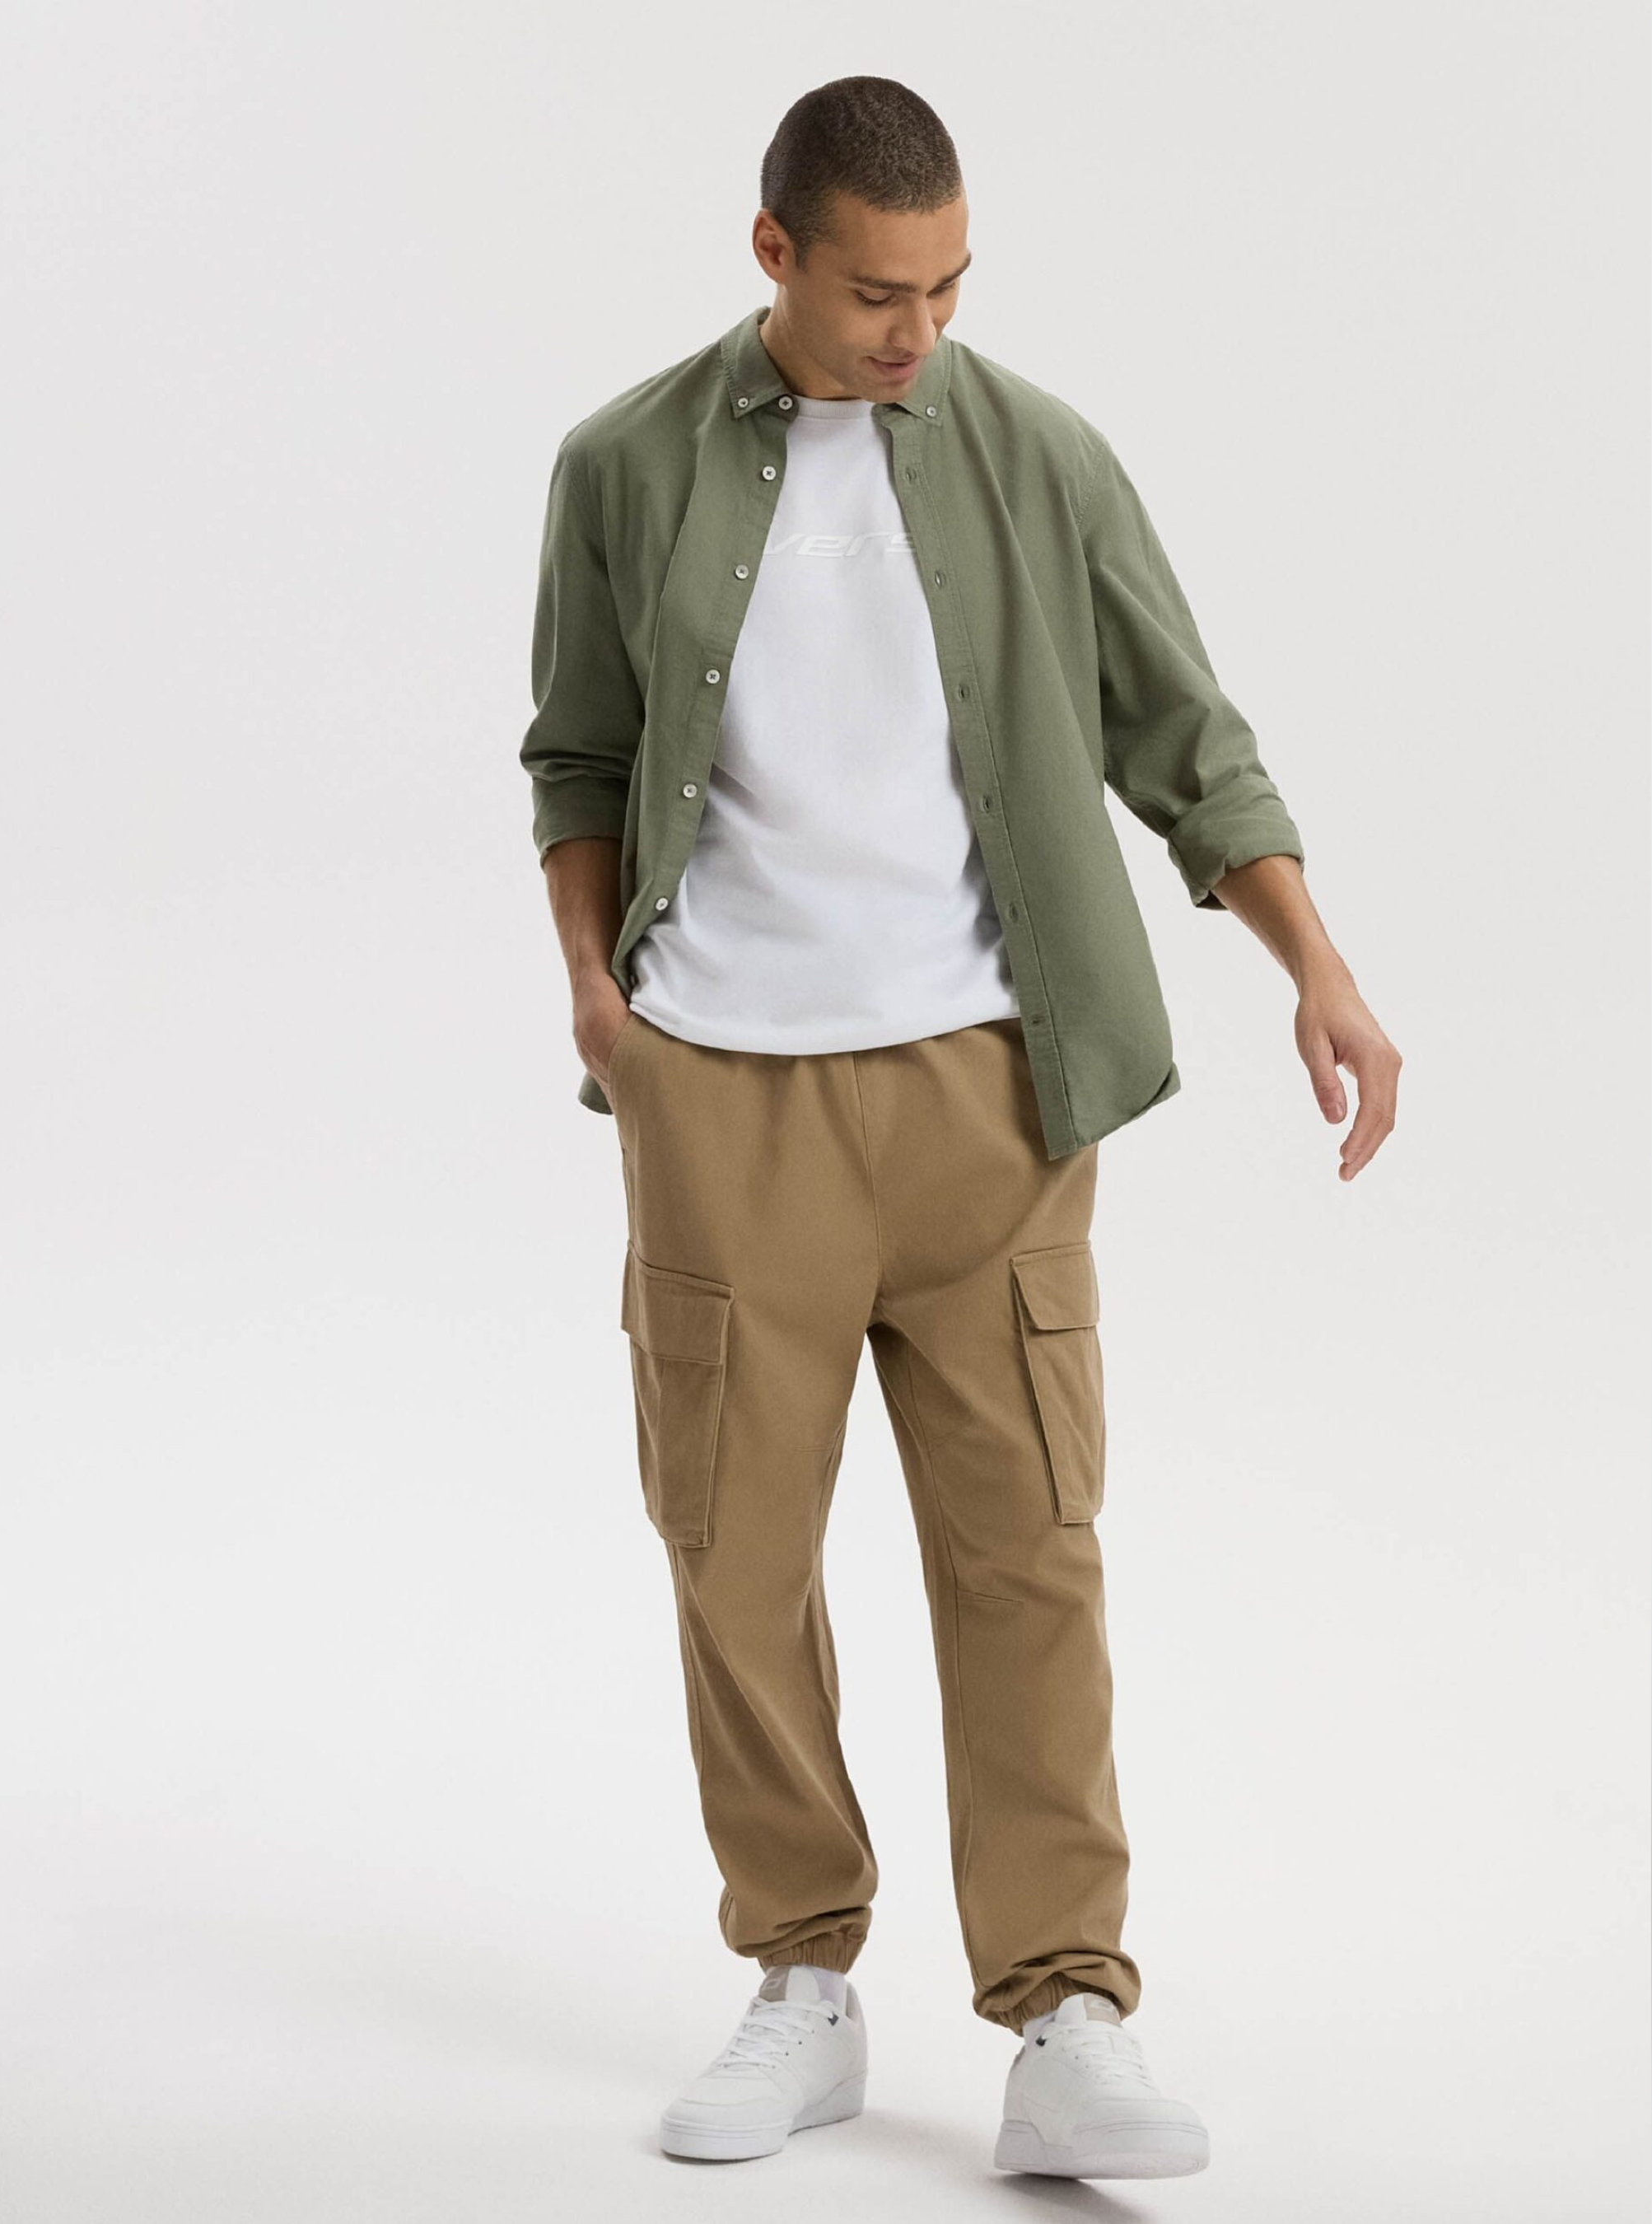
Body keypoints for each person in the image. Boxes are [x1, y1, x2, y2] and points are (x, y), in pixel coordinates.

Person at [517, 75, 1400, 2184]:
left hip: (991, 1089)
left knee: (1026, 1556)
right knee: (733, 1552)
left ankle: (1066, 2011)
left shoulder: (1039, 453)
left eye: (947, 288)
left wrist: (1316, 967)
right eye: (874, 292)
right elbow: (578, 751)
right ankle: (800, 1980)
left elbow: (1181, 735)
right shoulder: (623, 463)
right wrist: (598, 999)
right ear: (774, 254)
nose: (916, 330)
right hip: (721, 1092)